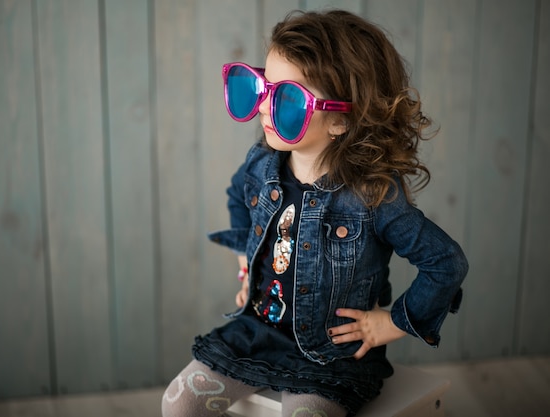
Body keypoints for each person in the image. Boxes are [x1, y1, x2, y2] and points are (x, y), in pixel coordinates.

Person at [162, 9, 468, 417]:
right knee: (178, 404)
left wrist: (391, 324)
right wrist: (244, 261)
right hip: (255, 333)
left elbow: (445, 263)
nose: (266, 108)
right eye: (262, 87)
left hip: (330, 356)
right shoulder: (262, 164)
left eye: (287, 99)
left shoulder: (372, 197)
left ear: (342, 119)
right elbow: (238, 196)